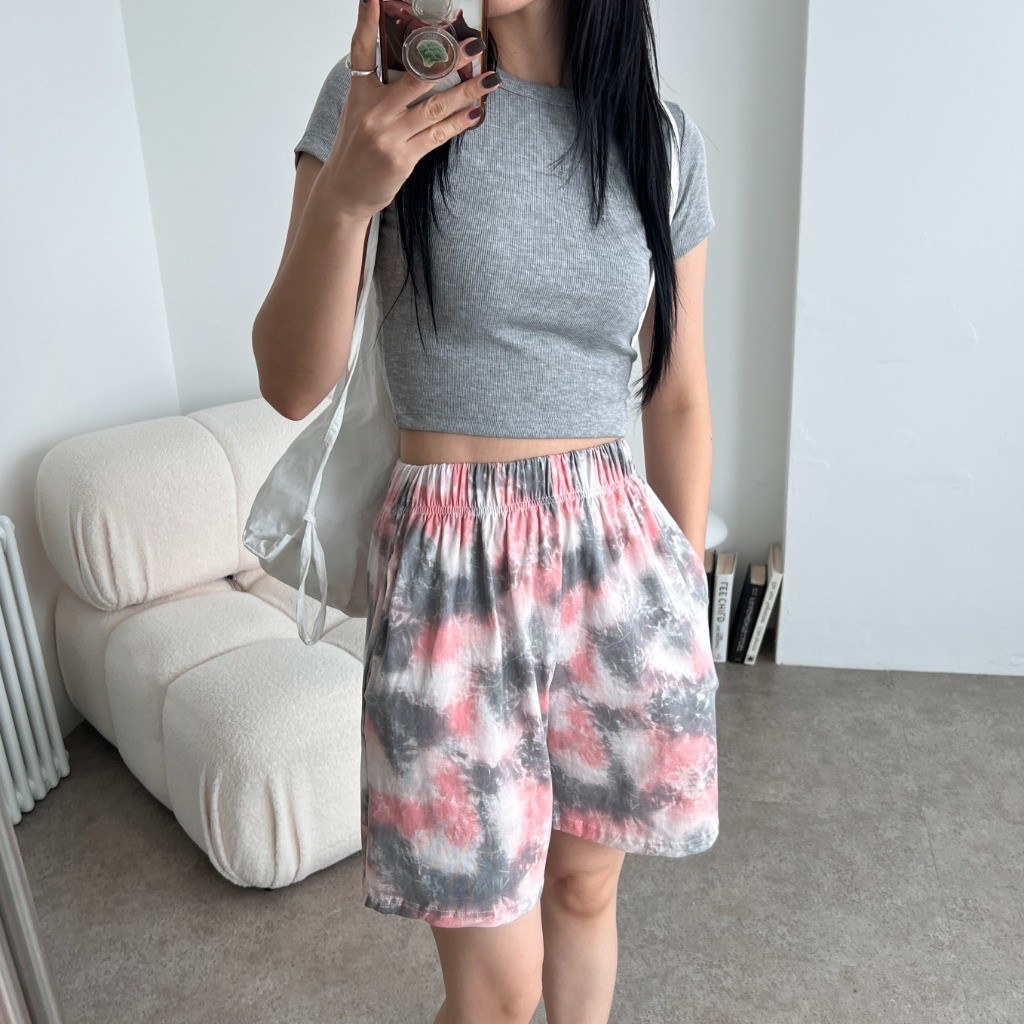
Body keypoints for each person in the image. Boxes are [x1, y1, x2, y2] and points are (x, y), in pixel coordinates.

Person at [252, 1, 719, 1021]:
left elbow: (678, 393)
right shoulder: (383, 96)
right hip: (448, 570)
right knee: (497, 992)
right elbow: (289, 382)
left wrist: (685, 588)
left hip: (618, 566)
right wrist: (348, 198)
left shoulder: (660, 138)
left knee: (585, 889)